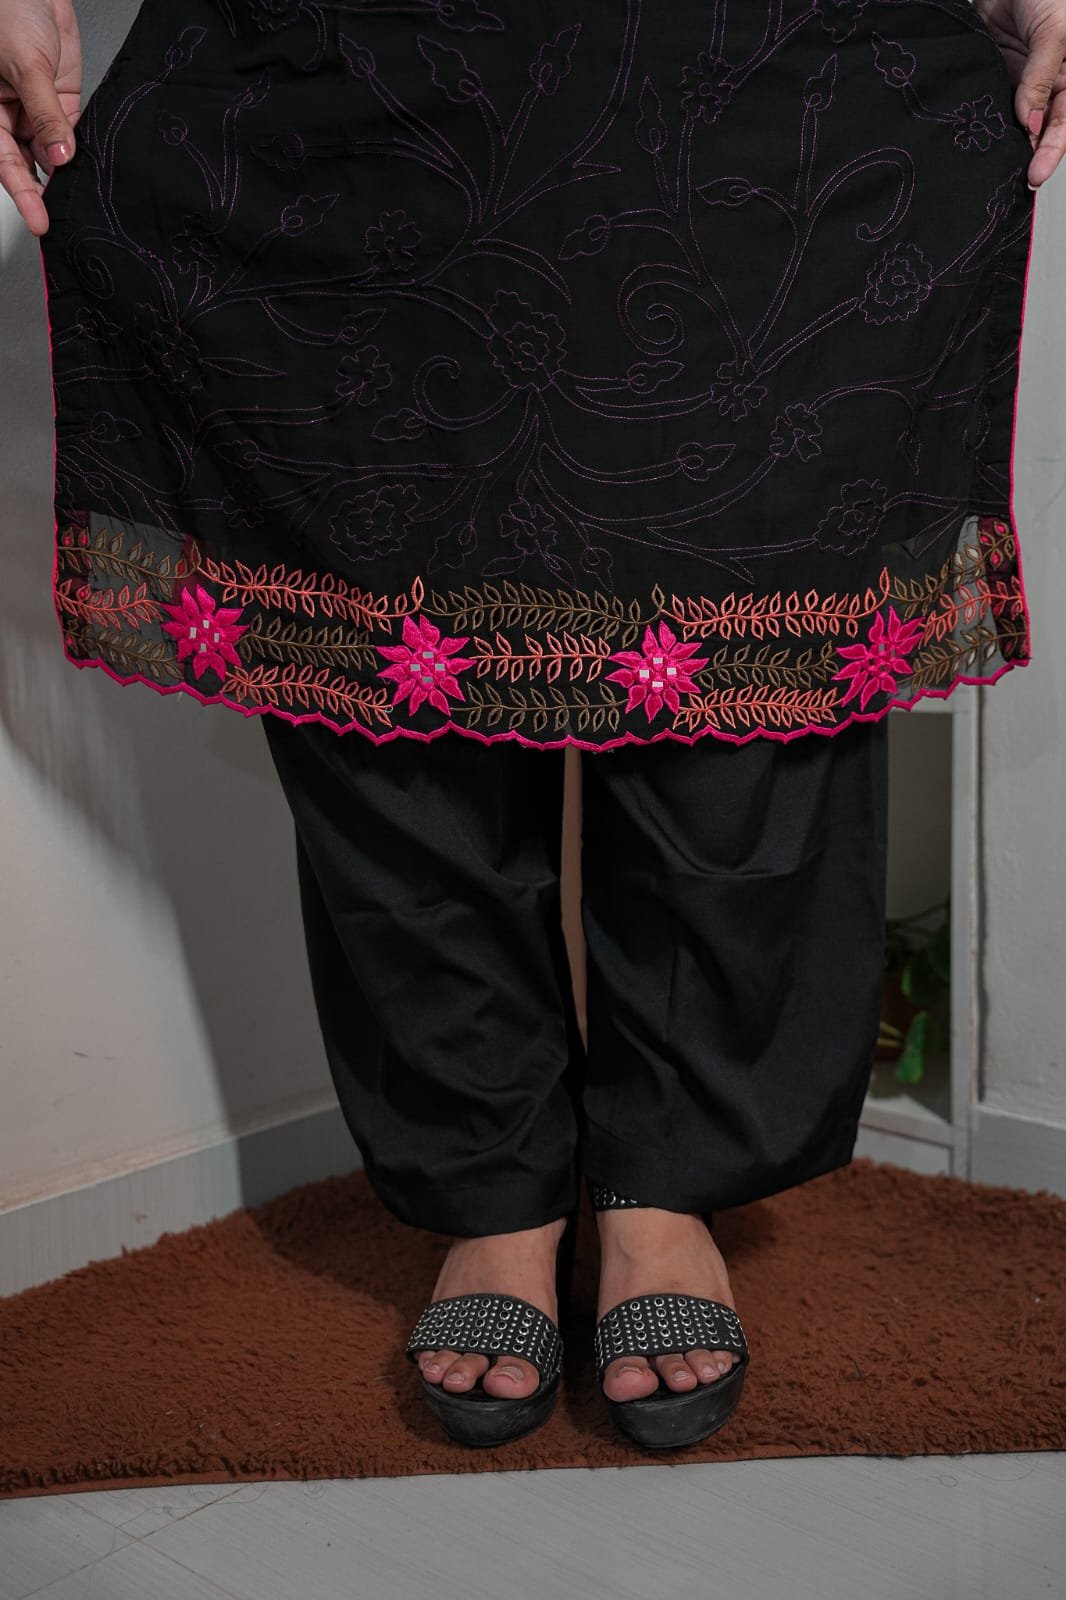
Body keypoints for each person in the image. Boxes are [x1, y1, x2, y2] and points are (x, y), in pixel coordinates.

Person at [4, 0, 1063, 1452]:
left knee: (739, 659)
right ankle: (492, 1188)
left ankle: (662, 1186)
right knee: (387, 655)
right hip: (348, 74)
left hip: (768, 64)